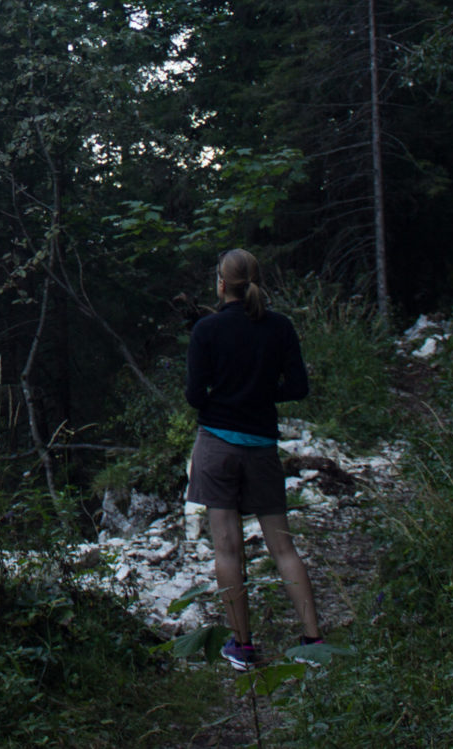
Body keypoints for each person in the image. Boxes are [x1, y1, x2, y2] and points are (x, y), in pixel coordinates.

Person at [184, 248, 324, 669]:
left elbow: (194, 395)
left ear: (221, 284)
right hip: (261, 447)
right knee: (283, 547)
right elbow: (298, 387)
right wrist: (261, 394)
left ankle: (242, 646)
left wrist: (225, 396)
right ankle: (313, 641)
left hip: (216, 446)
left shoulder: (205, 330)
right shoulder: (280, 327)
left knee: (226, 547)